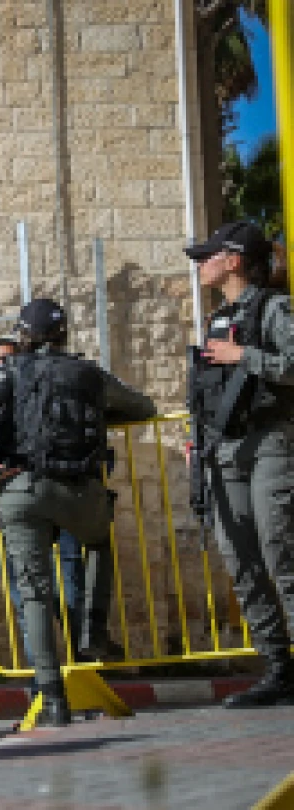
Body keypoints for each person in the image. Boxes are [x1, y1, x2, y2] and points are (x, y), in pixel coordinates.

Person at [0, 298, 156, 727]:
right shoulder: (87, 374)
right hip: (76, 489)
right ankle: (91, 631)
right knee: (98, 541)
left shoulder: (11, 372)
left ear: (23, 336)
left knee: (33, 591)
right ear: (64, 333)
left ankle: (52, 697)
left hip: (20, 491)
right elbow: (144, 407)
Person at [185, 221, 294, 707]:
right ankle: (279, 668)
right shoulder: (217, 318)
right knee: (242, 562)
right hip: (224, 452)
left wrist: (244, 355)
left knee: (281, 553)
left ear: (233, 261)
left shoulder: (273, 308)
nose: (201, 264)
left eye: (209, 256)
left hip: (270, 441)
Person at [0, 338, 88, 659]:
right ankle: (44, 684)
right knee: (27, 601)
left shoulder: (52, 406)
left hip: (62, 512)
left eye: (6, 362)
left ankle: (87, 678)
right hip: (18, 519)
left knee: (73, 598)